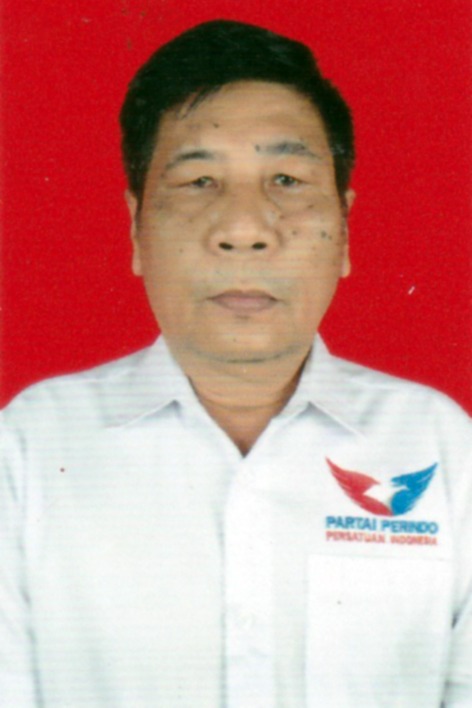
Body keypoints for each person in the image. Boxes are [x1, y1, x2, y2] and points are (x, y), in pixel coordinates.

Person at [0, 19, 470, 708]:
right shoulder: (32, 447)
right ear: (136, 230)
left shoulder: (442, 446)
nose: (244, 230)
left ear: (344, 229)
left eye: (287, 179)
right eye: (199, 181)